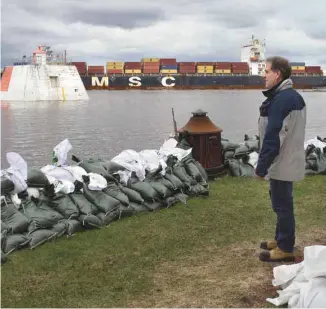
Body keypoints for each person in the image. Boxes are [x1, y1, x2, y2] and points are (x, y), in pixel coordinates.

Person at [255, 56, 307, 262]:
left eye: (266, 71)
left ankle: (285, 247)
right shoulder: (291, 96)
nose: (264, 76)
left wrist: (261, 167)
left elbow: (273, 137)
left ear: (277, 74)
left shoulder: (282, 100)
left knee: (282, 205)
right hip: (288, 159)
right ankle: (280, 238)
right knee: (281, 202)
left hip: (282, 161)